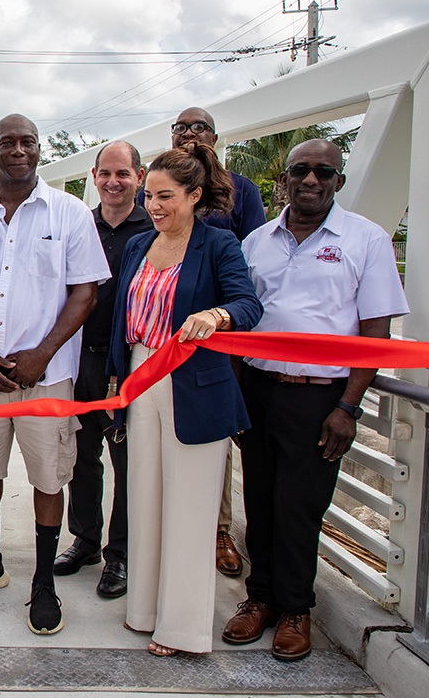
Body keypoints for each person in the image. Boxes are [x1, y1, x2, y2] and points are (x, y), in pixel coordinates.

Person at [224, 139, 408, 661]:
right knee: (258, 501)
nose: (311, 180)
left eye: (323, 172)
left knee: (299, 508)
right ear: (284, 177)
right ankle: (258, 600)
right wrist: (237, 396)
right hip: (258, 389)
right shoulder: (256, 241)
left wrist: (347, 407)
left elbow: (375, 332)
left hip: (319, 398)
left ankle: (296, 609)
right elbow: (240, 321)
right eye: (301, 170)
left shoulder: (366, 240)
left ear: (339, 181)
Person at [0, 114, 110, 635]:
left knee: (47, 477)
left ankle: (43, 579)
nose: (18, 150)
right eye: (6, 144)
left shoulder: (70, 214)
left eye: (27, 142)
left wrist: (41, 353)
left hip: (49, 376)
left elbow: (86, 292)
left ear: (39, 150)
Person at [108, 142, 262, 656]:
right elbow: (119, 321)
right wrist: (117, 380)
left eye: (166, 196)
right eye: (149, 195)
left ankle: (182, 628)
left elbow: (248, 303)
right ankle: (145, 609)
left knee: (191, 509)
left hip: (193, 384)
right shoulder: (137, 246)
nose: (153, 206)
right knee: (144, 496)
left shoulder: (218, 245)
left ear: (195, 196)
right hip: (140, 377)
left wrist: (216, 316)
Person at [169, 106, 268, 577]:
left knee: (212, 438)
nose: (190, 134)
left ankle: (218, 528)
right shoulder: (159, 188)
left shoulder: (239, 192)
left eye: (200, 127)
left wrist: (220, 316)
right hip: (159, 341)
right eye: (181, 128)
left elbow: (253, 262)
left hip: (213, 339)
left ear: (215, 135)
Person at [56, 140, 153, 599]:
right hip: (79, 357)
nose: (114, 182)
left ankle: (121, 555)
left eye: (123, 173)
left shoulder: (154, 227)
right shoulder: (79, 224)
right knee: (81, 457)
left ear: (139, 176)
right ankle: (86, 541)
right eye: (105, 174)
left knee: (126, 462)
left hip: (128, 362)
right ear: (93, 177)